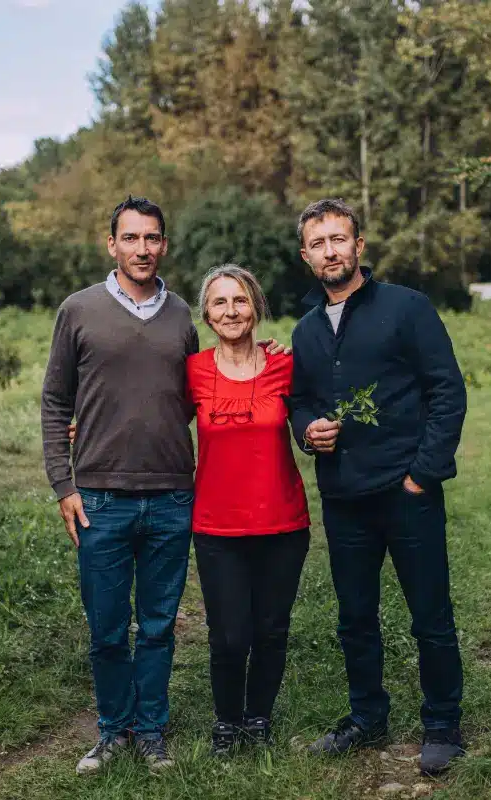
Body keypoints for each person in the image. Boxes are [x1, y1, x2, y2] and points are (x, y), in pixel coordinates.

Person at [42, 196, 285, 777]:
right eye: (130, 238)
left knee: (158, 626)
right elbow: (55, 400)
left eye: (151, 238)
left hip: (173, 494)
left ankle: (151, 731)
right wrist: (63, 483)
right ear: (112, 245)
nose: (142, 248)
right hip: (99, 495)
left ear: (164, 245)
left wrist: (266, 357)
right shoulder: (79, 309)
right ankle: (112, 729)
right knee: (107, 629)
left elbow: (205, 386)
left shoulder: (181, 316)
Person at [287, 198, 469, 776]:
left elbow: (447, 391)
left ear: (359, 246)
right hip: (344, 498)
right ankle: (367, 717)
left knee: (429, 614)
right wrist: (306, 430)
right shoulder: (306, 331)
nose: (330, 251)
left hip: (407, 492)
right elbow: (300, 401)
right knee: (355, 618)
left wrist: (422, 474)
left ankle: (442, 723)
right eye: (318, 244)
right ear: (306, 256)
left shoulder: (407, 308)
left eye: (339, 239)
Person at [185, 265, 311, 757]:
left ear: (256, 307)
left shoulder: (286, 365)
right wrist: (89, 428)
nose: (231, 311)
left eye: (240, 300)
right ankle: (226, 721)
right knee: (229, 634)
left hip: (282, 522)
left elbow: (314, 417)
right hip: (217, 526)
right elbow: (153, 419)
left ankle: (258, 717)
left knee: (271, 629)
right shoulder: (193, 371)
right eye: (220, 302)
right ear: (206, 314)